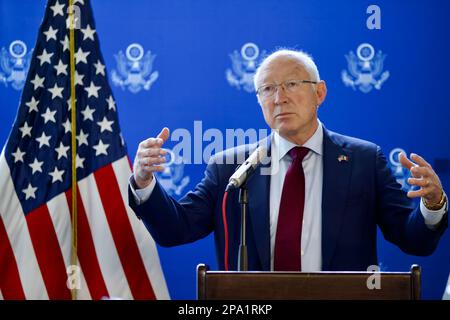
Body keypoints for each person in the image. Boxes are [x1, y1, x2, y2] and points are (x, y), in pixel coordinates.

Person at [128, 49, 448, 272]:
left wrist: (432, 206)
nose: (279, 97)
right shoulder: (232, 168)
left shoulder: (364, 160)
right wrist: (143, 181)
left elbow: (413, 240)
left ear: (319, 93)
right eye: (267, 89)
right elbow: (176, 230)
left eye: (291, 84)